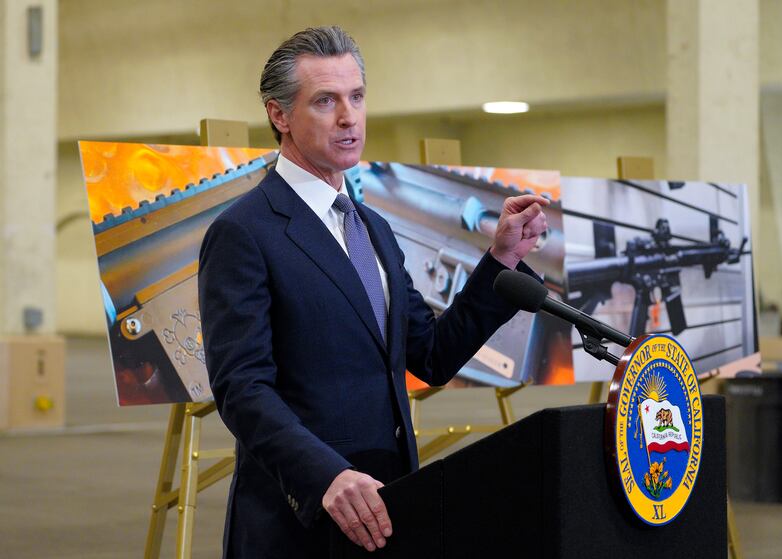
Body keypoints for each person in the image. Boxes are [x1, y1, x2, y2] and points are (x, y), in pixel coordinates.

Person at [198, 25, 549, 558]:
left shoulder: (373, 228)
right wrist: (326, 476)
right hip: (300, 516)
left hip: (388, 505)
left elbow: (429, 354)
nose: (348, 117)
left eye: (356, 97)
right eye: (325, 101)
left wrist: (501, 259)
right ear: (279, 115)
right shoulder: (244, 232)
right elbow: (242, 390)